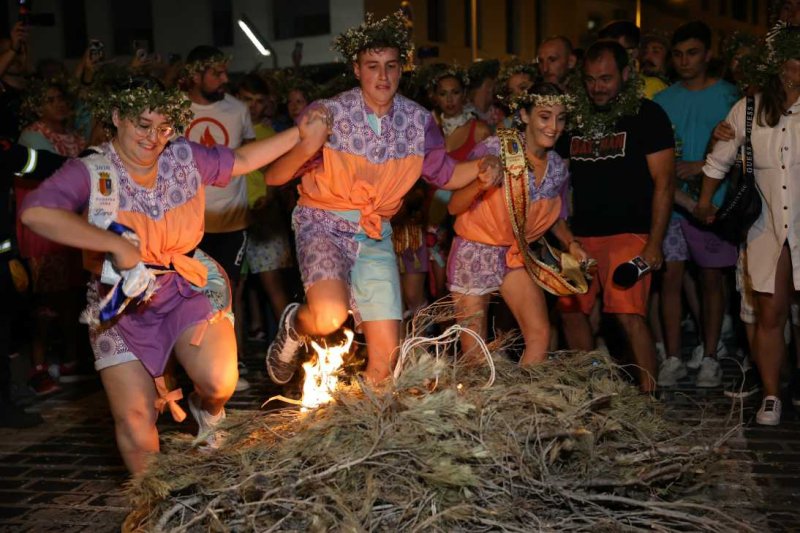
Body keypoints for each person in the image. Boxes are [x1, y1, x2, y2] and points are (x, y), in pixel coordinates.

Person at [19, 76, 329, 475]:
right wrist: (115, 245)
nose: (153, 138)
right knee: (135, 419)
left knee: (219, 382)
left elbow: (241, 161)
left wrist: (299, 134)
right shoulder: (94, 169)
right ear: (117, 117)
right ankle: (150, 500)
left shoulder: (182, 155)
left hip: (184, 282)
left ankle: (206, 408)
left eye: (164, 127)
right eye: (143, 125)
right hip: (121, 301)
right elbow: (36, 212)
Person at [263, 11, 501, 386]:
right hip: (323, 224)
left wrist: (482, 168)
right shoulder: (329, 113)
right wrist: (309, 143)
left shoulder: (418, 120)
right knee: (328, 316)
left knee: (386, 362)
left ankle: (364, 419)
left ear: (401, 68)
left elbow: (446, 174)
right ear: (357, 69)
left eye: (391, 66)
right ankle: (295, 325)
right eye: (372, 66)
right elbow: (274, 176)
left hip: (375, 232)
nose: (383, 76)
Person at [695, 23, 800, 425]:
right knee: (769, 314)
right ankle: (771, 395)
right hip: (766, 226)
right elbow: (719, 160)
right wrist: (705, 202)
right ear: (778, 63)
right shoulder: (749, 108)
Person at [556, 40, 675, 393]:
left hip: (630, 234)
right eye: (591, 79)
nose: (597, 87)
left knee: (628, 313)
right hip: (579, 237)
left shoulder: (647, 115)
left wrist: (654, 244)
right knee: (569, 309)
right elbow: (556, 178)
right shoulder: (575, 119)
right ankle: (589, 389)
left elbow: (665, 182)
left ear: (625, 73)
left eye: (606, 78)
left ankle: (649, 396)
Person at [448, 83, 586, 365]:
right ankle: (480, 394)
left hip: (513, 255)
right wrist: (480, 183)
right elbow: (453, 206)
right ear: (524, 115)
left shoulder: (557, 167)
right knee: (475, 352)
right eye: (544, 116)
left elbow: (553, 216)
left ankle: (523, 391)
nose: (553, 127)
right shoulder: (496, 149)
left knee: (539, 334)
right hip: (474, 252)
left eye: (560, 118)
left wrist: (571, 243)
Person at [653, 21, 740, 388]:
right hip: (669, 205)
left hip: (712, 205)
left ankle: (710, 356)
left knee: (711, 279)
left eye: (692, 53)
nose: (684, 61)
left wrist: (704, 165)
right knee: (670, 276)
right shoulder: (661, 101)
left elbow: (742, 150)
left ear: (707, 55)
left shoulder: (729, 96)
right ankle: (673, 357)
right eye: (678, 54)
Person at [182, 45, 255, 391]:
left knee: (229, 290)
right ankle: (192, 365)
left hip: (231, 219)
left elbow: (251, 157)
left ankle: (230, 362)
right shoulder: (177, 110)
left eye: (225, 71)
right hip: (187, 224)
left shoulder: (238, 110)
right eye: (216, 72)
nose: (225, 78)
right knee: (187, 294)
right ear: (195, 74)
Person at [16, 77, 89, 393]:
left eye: (61, 97)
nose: (59, 104)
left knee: (71, 295)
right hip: (44, 227)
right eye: (50, 99)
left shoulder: (74, 135)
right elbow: (56, 173)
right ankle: (39, 366)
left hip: (72, 226)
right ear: (36, 106)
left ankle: (71, 359)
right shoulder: (32, 135)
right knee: (45, 299)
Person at [235, 74, 294, 342]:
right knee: (233, 289)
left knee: (273, 285)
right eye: (247, 100)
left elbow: (278, 177)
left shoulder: (270, 136)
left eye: (259, 101)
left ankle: (291, 345)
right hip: (232, 219)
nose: (253, 107)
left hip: (264, 219)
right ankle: (237, 354)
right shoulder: (230, 131)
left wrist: (268, 200)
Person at [429, 66, 491, 297]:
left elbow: (492, 172)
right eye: (443, 93)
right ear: (435, 97)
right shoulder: (428, 131)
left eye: (455, 92)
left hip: (467, 216)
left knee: (468, 288)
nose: (449, 99)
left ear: (464, 94)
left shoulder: (479, 130)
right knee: (440, 292)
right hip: (434, 218)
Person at [598, 20, 667, 99]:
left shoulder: (655, 88)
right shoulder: (595, 87)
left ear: (634, 53)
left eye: (616, 52)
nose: (606, 59)